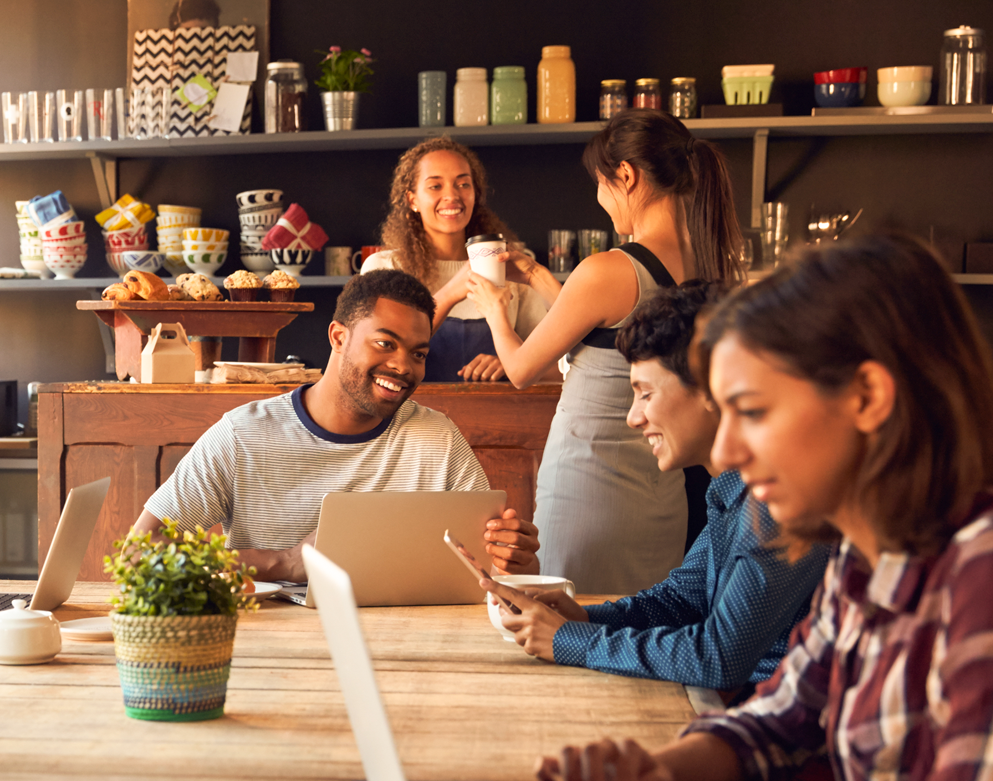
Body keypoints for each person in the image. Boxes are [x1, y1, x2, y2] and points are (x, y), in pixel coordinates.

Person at [489, 236, 993, 781]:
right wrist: (655, 772)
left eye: (751, 411)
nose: (728, 449)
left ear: (867, 398)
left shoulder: (977, 575)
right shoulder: (867, 555)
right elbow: (780, 719)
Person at [490, 282, 831, 696]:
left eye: (645, 394)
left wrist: (568, 640)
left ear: (712, 389)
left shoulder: (780, 498)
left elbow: (719, 658)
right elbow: (680, 601)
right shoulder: (732, 488)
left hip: (782, 728)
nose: (633, 418)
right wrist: (583, 618)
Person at [468, 109, 744, 594]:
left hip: (589, 486)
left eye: (600, 183)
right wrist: (535, 276)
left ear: (626, 175)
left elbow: (519, 369)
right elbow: (611, 334)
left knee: (575, 627)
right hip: (662, 495)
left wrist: (494, 306)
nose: (600, 199)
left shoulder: (609, 269)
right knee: (643, 630)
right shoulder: (707, 262)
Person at [134, 269, 540, 583]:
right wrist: (286, 562)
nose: (403, 366)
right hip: (269, 653)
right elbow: (138, 553)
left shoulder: (437, 439)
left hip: (409, 649)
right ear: (338, 337)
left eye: (417, 353)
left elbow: (497, 567)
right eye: (385, 344)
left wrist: (517, 556)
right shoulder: (243, 435)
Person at [361, 138, 552, 383]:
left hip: (498, 418)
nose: (452, 195)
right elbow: (374, 357)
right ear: (412, 200)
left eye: (463, 184)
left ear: (475, 195)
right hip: (409, 418)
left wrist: (511, 363)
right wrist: (452, 291)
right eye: (435, 186)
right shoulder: (384, 268)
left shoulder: (509, 268)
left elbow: (561, 367)